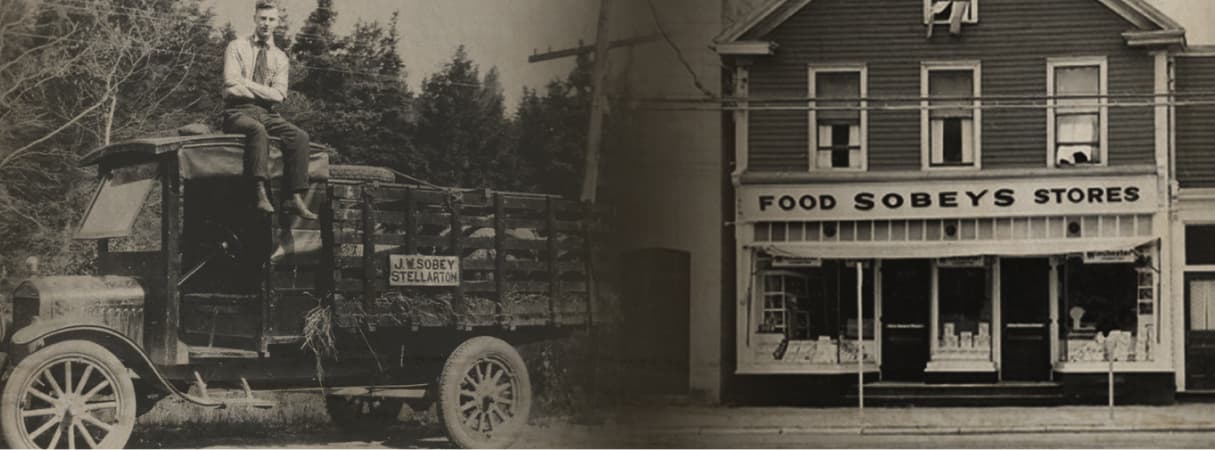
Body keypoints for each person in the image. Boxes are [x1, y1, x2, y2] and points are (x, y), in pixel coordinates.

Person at [222, 0, 316, 219]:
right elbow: (229, 86)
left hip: (267, 113)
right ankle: (259, 193)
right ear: (254, 18)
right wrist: (261, 90)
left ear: (277, 22)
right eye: (262, 18)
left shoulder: (280, 57)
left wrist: (245, 82)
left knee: (300, 137)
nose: (266, 23)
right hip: (237, 112)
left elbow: (279, 95)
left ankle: (294, 197)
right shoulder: (236, 46)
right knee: (257, 131)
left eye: (271, 19)